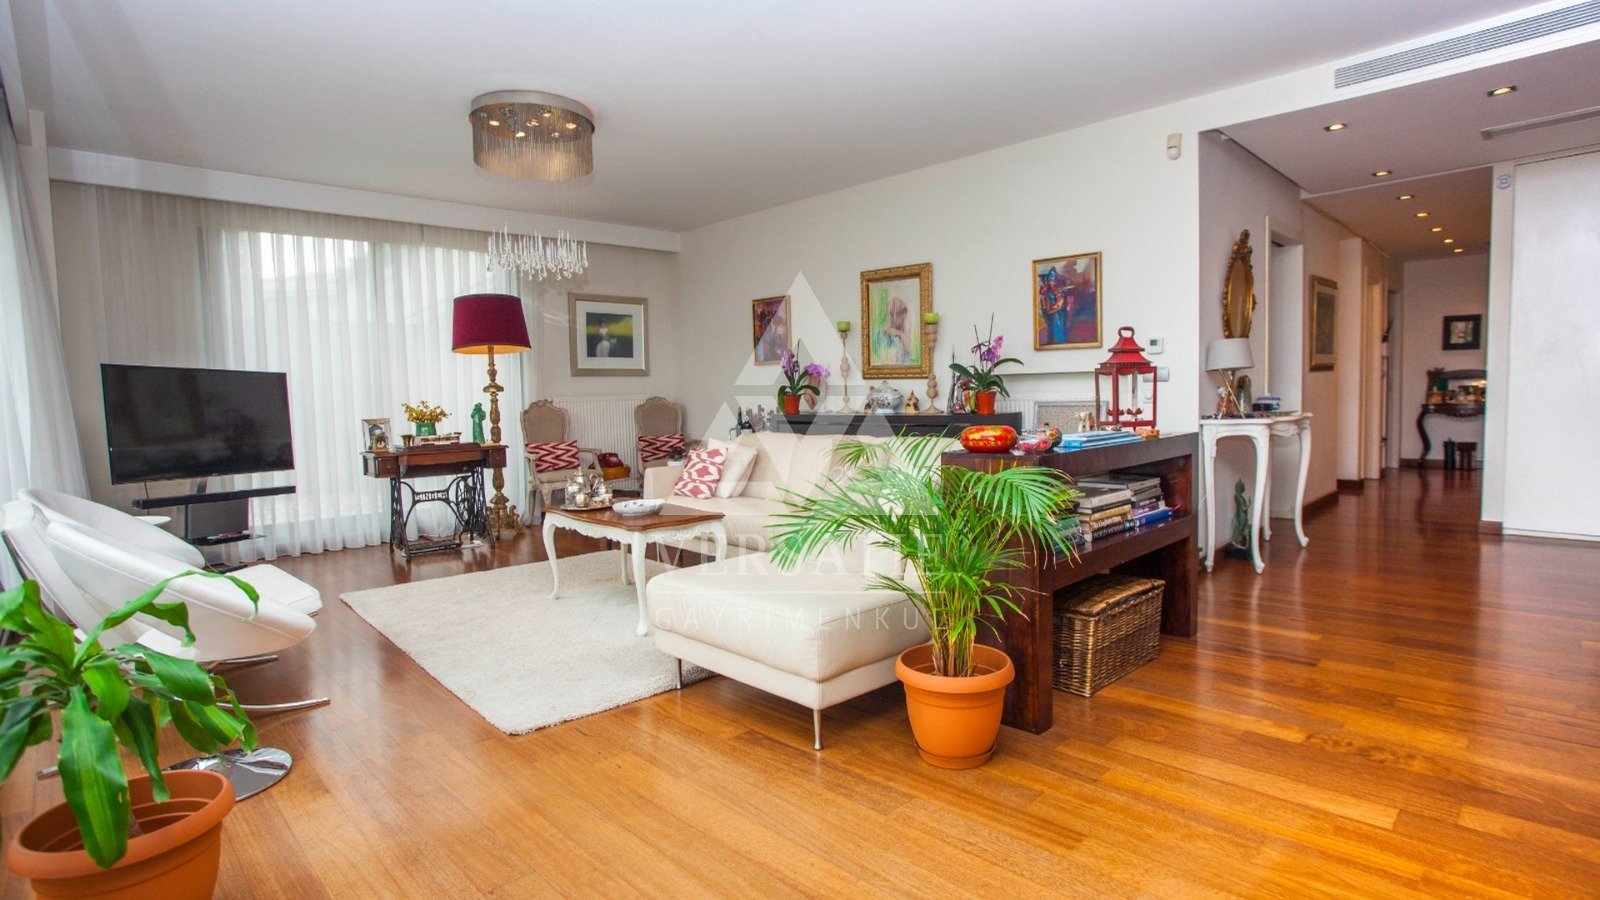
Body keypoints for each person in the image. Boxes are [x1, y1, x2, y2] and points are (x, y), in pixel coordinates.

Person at [872, 294, 915, 365]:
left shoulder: (901, 332)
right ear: (895, 316)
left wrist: (901, 334)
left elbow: (911, 352)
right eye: (902, 319)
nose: (903, 321)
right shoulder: (880, 334)